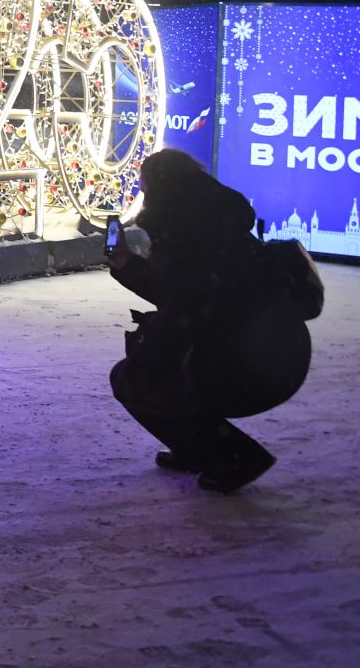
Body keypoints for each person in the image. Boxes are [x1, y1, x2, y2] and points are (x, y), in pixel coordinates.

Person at [107, 148, 311, 494]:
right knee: (154, 375)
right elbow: (190, 293)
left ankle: (233, 456)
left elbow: (182, 304)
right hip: (282, 350)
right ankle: (201, 451)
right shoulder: (219, 220)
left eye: (145, 188)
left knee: (136, 380)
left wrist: (148, 346)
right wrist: (131, 268)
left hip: (246, 362)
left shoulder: (180, 234)